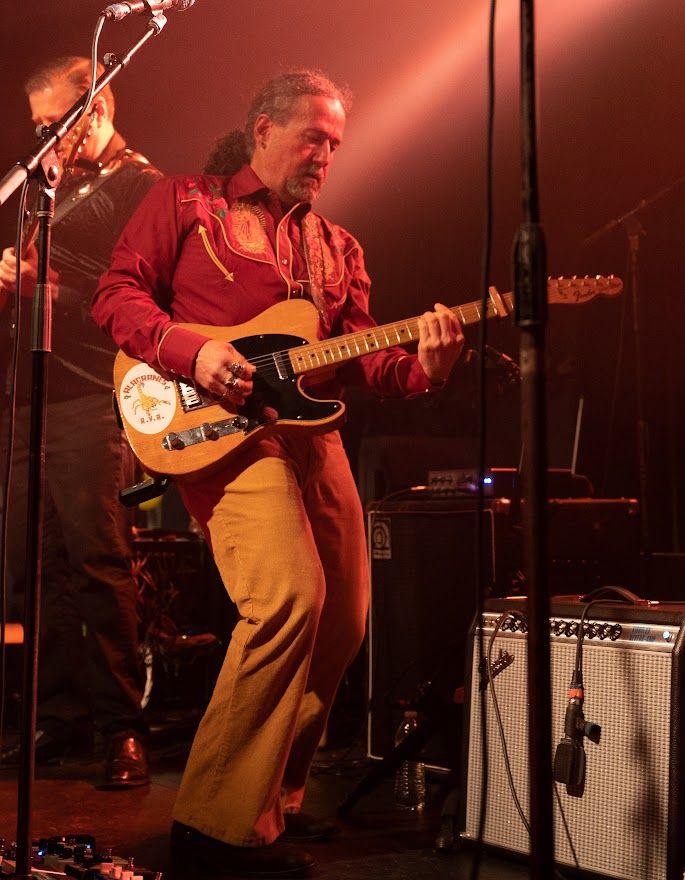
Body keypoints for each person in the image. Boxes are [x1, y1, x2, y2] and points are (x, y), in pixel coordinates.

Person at [91, 69, 465, 876]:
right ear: (263, 129)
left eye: (336, 144)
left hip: (310, 434)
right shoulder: (186, 203)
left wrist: (426, 369)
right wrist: (197, 352)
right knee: (289, 597)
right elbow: (117, 294)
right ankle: (213, 824)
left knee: (344, 619)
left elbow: (366, 358)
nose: (326, 155)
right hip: (221, 429)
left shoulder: (338, 247)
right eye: (313, 138)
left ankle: (269, 802)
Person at [0, 57, 162, 788]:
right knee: (28, 569)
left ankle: (121, 729)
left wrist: (53, 290)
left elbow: (148, 300)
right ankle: (56, 717)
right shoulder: (46, 190)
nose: (44, 136)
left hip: (93, 396)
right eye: (36, 124)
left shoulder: (144, 189)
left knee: (98, 563)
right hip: (26, 396)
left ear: (94, 110)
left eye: (54, 122)